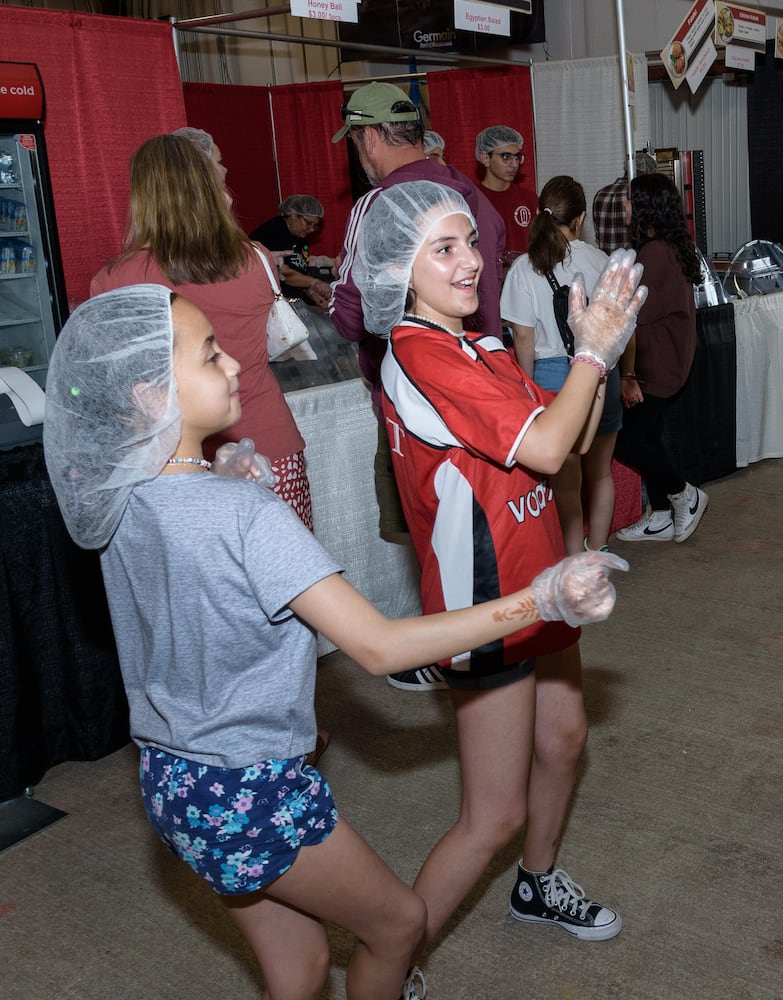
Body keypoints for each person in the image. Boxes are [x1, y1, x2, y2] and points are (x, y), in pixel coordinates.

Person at [42, 283, 628, 1000]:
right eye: (209, 355)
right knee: (397, 924)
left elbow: (190, 559)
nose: (234, 365)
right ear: (150, 395)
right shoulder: (245, 518)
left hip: (172, 783)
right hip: (252, 788)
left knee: (301, 968)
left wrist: (212, 468)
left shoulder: (122, 495)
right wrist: (537, 599)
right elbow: (379, 647)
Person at [360, 180, 645, 955]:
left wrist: (600, 357)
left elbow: (571, 439)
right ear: (397, 268)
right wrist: (588, 352)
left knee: (564, 740)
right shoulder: (418, 354)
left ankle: (537, 884)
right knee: (492, 816)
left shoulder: (478, 345)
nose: (471, 263)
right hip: (486, 604)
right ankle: (392, 960)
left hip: (544, 585)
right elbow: (551, 450)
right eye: (443, 249)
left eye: (472, 244)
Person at [328, 82, 507, 692]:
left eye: (355, 140)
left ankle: (449, 646)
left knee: (434, 525)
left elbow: (352, 313)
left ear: (369, 136)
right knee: (485, 522)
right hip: (489, 377)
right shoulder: (468, 195)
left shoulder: (378, 205)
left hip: (418, 391)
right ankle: (488, 634)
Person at [91, 134, 313, 531]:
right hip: (266, 437)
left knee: (195, 585)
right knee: (292, 579)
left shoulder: (114, 281)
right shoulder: (254, 258)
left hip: (172, 460)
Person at [501, 175, 621, 552]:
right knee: (600, 473)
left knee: (566, 483)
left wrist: (526, 392)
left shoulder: (524, 268)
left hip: (551, 376)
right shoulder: (600, 260)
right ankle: (598, 553)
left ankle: (573, 564)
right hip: (603, 374)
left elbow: (524, 339)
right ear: (580, 218)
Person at [610, 172, 710, 544]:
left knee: (628, 442)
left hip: (655, 365)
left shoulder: (654, 254)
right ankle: (662, 514)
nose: (623, 206)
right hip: (667, 358)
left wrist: (630, 374)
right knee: (647, 438)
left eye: (629, 200)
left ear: (645, 207)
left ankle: (684, 492)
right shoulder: (667, 247)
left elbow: (632, 319)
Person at [250, 195, 332, 309]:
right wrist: (315, 283)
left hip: (289, 301)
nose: (312, 229)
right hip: (269, 304)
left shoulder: (300, 238)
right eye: (309, 223)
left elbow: (300, 274)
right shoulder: (275, 231)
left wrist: (313, 293)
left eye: (315, 225)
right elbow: (282, 272)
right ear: (293, 215)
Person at [476, 124, 537, 268]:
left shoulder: (529, 199)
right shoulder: (473, 199)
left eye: (517, 157)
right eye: (506, 157)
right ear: (485, 158)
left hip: (526, 281)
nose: (514, 163)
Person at [593, 151, 657, 255]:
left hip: (606, 265)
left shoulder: (600, 194)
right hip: (632, 264)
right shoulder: (638, 196)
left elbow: (597, 235)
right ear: (646, 172)